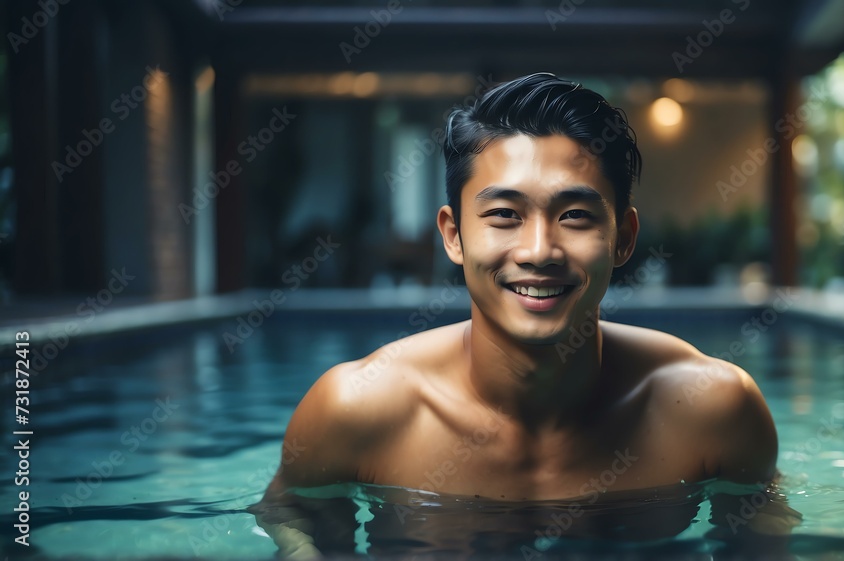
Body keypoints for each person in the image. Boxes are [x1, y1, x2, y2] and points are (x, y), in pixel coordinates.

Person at [253, 72, 779, 558]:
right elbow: (292, 519)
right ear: (454, 235)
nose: (538, 250)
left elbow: (764, 544)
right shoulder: (356, 409)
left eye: (574, 215)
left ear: (623, 238)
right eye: (504, 215)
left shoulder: (714, 410)